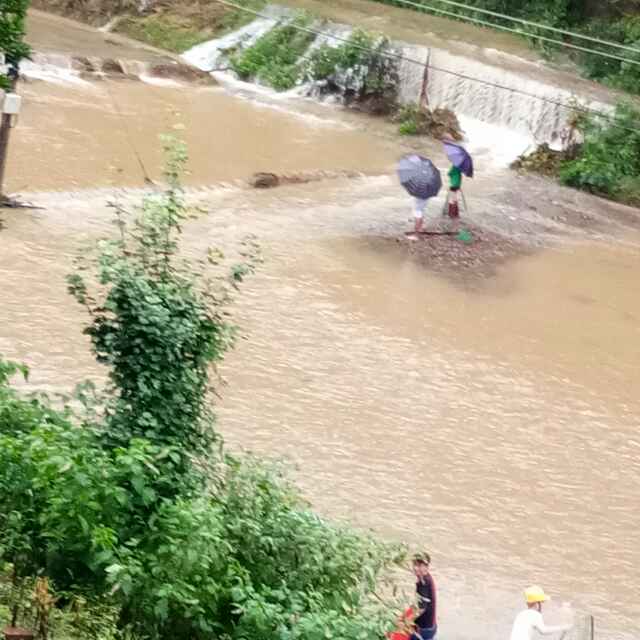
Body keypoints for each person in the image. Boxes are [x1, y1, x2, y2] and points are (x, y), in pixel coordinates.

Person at [411, 553, 437, 640]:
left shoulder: (423, 583)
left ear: (426, 567)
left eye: (419, 565)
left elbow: (421, 608)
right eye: (414, 564)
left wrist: (405, 622)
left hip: (423, 630)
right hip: (431, 625)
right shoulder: (428, 577)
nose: (415, 568)